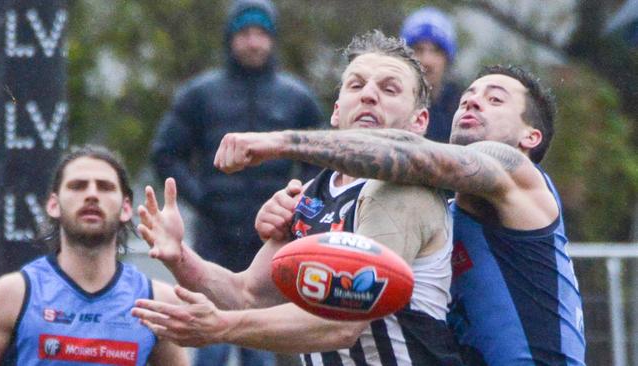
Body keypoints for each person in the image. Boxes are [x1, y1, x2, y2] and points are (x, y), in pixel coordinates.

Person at [210, 62, 587, 365]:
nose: (471, 102)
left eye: (495, 99)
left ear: (530, 137)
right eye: (468, 97)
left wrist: (277, 142)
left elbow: (413, 155)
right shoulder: (437, 210)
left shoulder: (518, 173)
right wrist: (291, 221)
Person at [132, 30, 463, 365]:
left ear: (419, 121)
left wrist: (223, 327)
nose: (368, 96)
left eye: (389, 88)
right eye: (356, 85)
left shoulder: (406, 189)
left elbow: (345, 321)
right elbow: (246, 296)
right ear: (336, 111)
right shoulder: (310, 195)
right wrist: (179, 256)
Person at [151, 0, 323, 363]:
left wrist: (298, 203)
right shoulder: (200, 94)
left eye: (262, 33)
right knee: (208, 343)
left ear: (272, 40)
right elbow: (166, 153)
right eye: (245, 33)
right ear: (231, 39)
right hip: (214, 237)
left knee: (258, 342)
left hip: (271, 240)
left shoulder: (296, 97)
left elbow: (320, 160)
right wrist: (201, 199)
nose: (254, 42)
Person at [0, 145, 188, 365]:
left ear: (126, 208)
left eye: (105, 187)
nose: (92, 194)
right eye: (77, 186)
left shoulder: (156, 303)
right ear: (54, 205)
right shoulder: (11, 295)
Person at [400, 6, 463, 143]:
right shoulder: (389, 102)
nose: (426, 60)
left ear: (447, 58)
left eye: (436, 51)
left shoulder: (462, 108)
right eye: (418, 50)